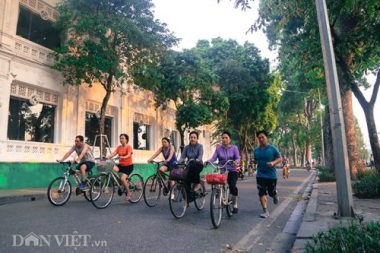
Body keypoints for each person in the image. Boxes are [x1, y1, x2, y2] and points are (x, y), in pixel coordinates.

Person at [207, 131, 241, 213]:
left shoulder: (234, 148)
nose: (224, 139)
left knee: (232, 186)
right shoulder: (218, 149)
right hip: (221, 169)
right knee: (215, 182)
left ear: (230, 140)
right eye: (222, 138)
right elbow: (213, 158)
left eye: (226, 138)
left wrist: (236, 162)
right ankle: (219, 193)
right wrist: (208, 161)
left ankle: (235, 203)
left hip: (232, 169)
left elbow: (237, 158)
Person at [253, 130, 282, 218]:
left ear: (266, 138)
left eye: (263, 137)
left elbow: (280, 158)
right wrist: (253, 161)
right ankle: (265, 211)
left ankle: (274, 194)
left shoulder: (272, 148)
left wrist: (273, 162)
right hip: (260, 175)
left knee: (270, 192)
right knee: (261, 192)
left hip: (271, 175)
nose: (261, 139)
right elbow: (256, 160)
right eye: (259, 138)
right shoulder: (256, 150)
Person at [107, 134, 134, 201]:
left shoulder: (129, 147)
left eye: (122, 138)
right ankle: (121, 184)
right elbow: (113, 153)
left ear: (126, 140)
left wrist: (122, 157)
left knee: (122, 178)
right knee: (111, 167)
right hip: (121, 165)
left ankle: (129, 193)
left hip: (128, 166)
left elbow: (128, 155)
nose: (121, 140)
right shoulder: (119, 147)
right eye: (120, 138)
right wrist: (107, 157)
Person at [179, 131, 204, 200]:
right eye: (191, 137)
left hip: (198, 165)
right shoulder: (186, 147)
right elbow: (182, 157)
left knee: (193, 166)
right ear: (189, 138)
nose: (192, 139)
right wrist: (178, 162)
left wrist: (198, 159)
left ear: (197, 139)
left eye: (194, 137)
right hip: (189, 165)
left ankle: (198, 184)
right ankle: (188, 198)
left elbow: (200, 155)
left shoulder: (200, 146)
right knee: (185, 180)